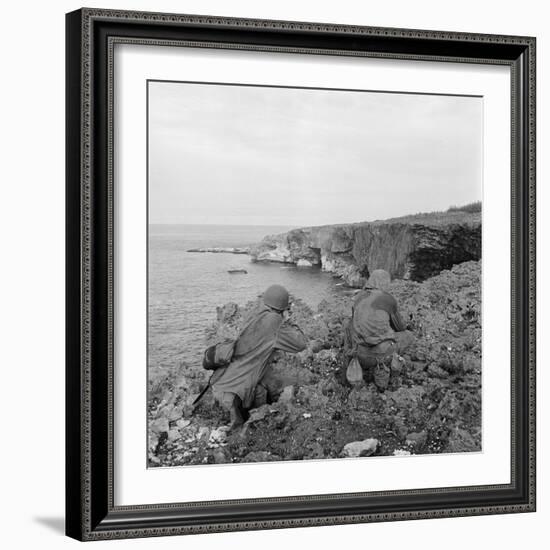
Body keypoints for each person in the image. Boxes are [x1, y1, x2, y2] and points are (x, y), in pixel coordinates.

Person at [211, 284, 307, 429]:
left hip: (220, 385)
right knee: (239, 437)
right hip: (233, 397)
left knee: (260, 391)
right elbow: (301, 344)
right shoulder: (275, 322)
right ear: (282, 308)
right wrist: (287, 320)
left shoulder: (253, 314)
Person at [343, 269, 414, 391]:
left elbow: (354, 323)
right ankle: (392, 368)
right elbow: (400, 327)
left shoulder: (359, 297)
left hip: (360, 354)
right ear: (385, 282)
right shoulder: (387, 299)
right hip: (380, 355)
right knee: (408, 336)